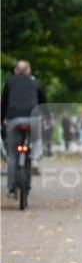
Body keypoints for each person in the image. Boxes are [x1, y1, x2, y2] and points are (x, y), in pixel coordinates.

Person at [2, 60, 46, 195]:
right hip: (33, 119)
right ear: (29, 70)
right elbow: (43, 102)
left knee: (13, 155)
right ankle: (35, 157)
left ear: (16, 70)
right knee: (37, 139)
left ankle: (11, 187)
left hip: (13, 119)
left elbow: (4, 103)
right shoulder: (35, 83)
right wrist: (48, 118)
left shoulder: (10, 82)